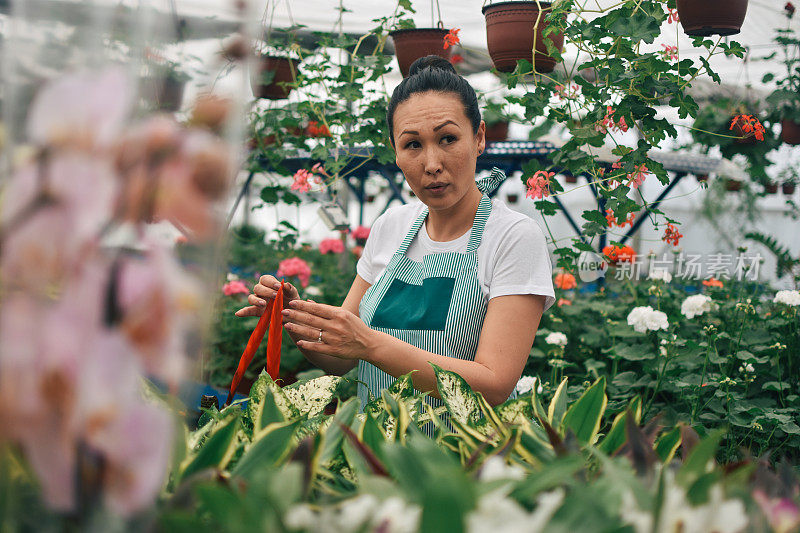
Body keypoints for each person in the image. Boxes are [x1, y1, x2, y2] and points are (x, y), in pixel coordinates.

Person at [236, 55, 555, 424]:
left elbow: (495, 383)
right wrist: (292, 317)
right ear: (396, 152)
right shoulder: (392, 226)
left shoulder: (512, 237)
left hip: (468, 460)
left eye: (448, 139)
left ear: (479, 137)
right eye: (413, 145)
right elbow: (342, 359)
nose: (431, 163)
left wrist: (369, 343)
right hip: (377, 455)